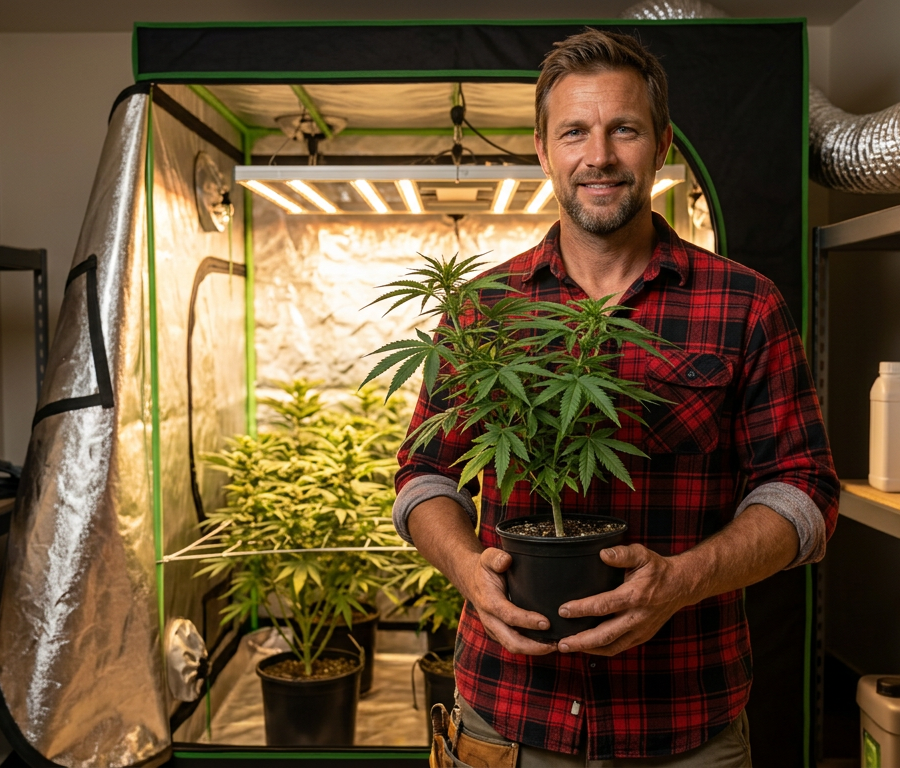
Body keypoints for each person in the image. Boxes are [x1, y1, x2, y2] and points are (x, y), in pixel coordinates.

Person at [392, 28, 839, 767]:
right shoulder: (484, 308)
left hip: (684, 722)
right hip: (507, 717)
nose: (598, 155)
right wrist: (468, 567)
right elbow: (424, 475)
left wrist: (681, 579)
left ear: (661, 144)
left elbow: (806, 492)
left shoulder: (744, 304)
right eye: (574, 131)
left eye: (623, 128)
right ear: (543, 149)